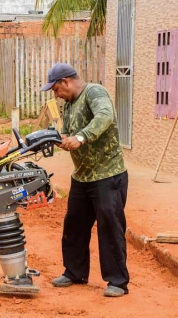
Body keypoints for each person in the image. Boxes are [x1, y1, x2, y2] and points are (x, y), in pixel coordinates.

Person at [41, 63, 129, 298]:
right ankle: (75, 272)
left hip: (107, 175)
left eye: (56, 89)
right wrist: (58, 139)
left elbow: (105, 116)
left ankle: (117, 281)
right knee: (75, 225)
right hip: (82, 176)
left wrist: (82, 137)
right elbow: (69, 132)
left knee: (110, 227)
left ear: (66, 82)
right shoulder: (69, 104)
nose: (56, 95)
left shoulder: (94, 92)